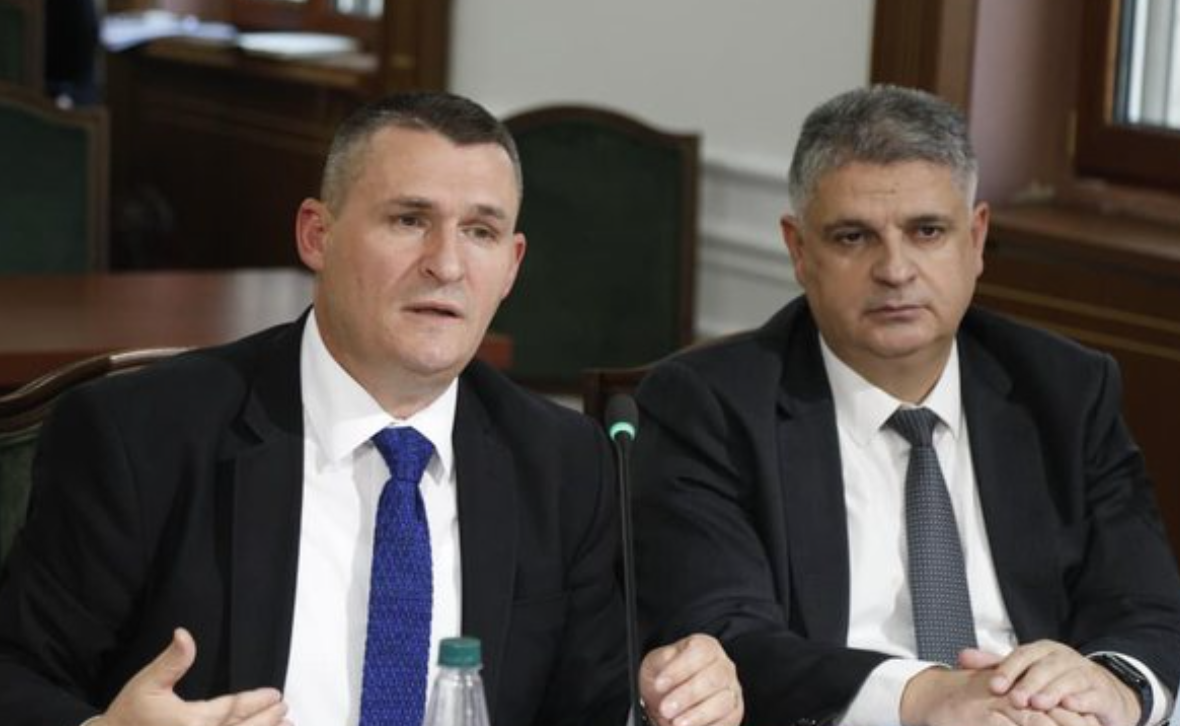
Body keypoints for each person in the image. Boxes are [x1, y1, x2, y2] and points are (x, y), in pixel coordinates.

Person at [0, 91, 743, 726]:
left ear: (511, 266)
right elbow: (16, 675)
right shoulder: (142, 436)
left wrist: (669, 700)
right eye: (409, 220)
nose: (446, 264)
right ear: (316, 235)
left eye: (480, 232)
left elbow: (592, 705)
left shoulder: (565, 463)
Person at [631, 84, 1180, 726]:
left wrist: (1111, 686)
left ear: (976, 238)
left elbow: (1147, 604)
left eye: (927, 231)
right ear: (799, 250)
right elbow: (726, 638)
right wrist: (927, 697)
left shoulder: (1065, 389)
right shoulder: (711, 406)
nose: (895, 270)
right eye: (853, 237)